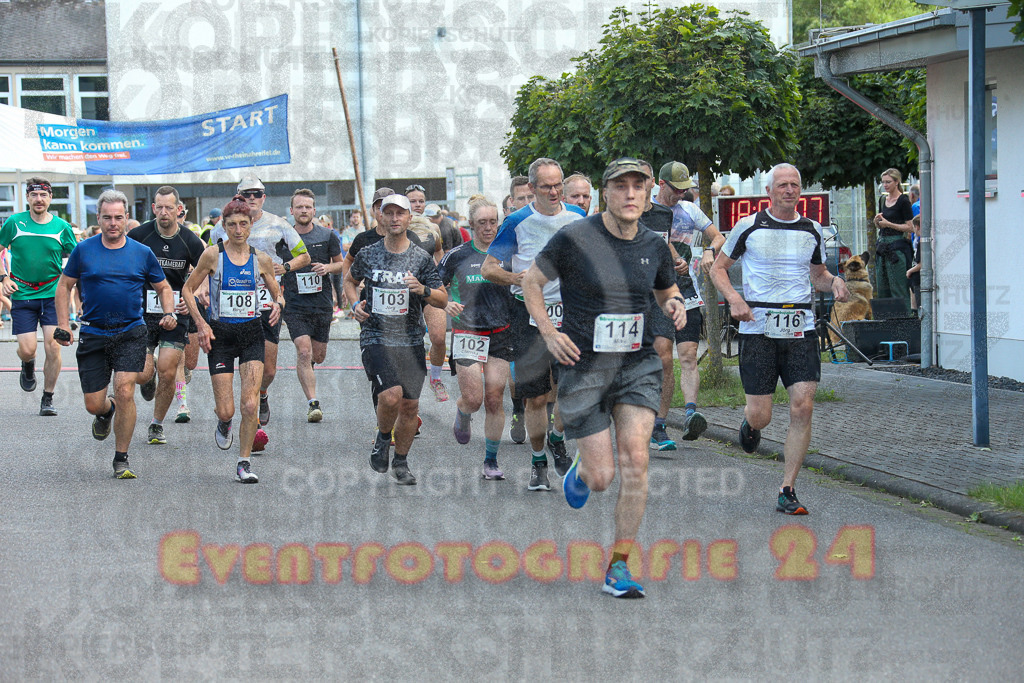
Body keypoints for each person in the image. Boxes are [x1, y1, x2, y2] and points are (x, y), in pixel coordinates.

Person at [525, 158, 686, 599]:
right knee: (602, 478)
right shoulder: (575, 237)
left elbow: (665, 289)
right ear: (605, 193)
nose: (631, 194)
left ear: (650, 192)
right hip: (583, 367)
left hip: (636, 366)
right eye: (621, 187)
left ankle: (619, 567)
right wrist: (549, 333)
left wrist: (675, 304)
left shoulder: (654, 243)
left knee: (637, 461)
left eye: (639, 186)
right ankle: (583, 468)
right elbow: (532, 282)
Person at [710, 163, 850, 516]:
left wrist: (833, 282)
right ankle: (749, 423)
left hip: (800, 327)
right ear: (769, 191)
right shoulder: (750, 225)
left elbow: (817, 275)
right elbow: (718, 268)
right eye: (783, 185)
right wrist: (735, 300)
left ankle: (787, 488)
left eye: (795, 185)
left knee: (803, 406)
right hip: (758, 328)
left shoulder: (811, 229)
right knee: (762, 415)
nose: (790, 190)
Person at [53, 189, 177, 479]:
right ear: (98, 218)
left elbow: (163, 287)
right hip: (94, 332)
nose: (112, 223)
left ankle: (121, 457)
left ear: (126, 218)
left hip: (131, 331)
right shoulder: (84, 250)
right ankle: (105, 412)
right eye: (107, 217)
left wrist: (169, 313)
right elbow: (63, 287)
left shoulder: (141, 252)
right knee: (93, 403)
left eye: (118, 217)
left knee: (124, 390)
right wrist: (62, 324)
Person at [483, 157, 586, 491]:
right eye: (547, 186)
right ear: (532, 188)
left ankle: (557, 438)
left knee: (572, 391)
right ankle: (539, 461)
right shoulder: (517, 221)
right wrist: (517, 277)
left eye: (558, 184)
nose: (555, 191)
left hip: (568, 314)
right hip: (526, 316)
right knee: (537, 398)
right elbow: (488, 268)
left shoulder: (579, 217)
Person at [344, 194, 447, 485]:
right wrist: (354, 305)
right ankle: (382, 437)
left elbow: (441, 298)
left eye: (399, 213)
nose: (394, 218)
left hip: (411, 339)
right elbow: (350, 280)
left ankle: (401, 461)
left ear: (407, 217)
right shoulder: (368, 253)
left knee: (410, 407)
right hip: (376, 336)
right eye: (388, 213)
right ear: (382, 217)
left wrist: (422, 290)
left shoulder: (421, 258)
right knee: (391, 396)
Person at [182, 196, 283, 483]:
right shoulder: (213, 255)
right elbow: (187, 290)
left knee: (249, 405)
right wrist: (201, 324)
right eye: (231, 225)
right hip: (221, 335)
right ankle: (224, 421)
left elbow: (277, 292)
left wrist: (278, 305)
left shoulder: (261, 259)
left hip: (252, 333)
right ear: (223, 227)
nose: (238, 230)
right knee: (227, 409)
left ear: (251, 226)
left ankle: (244, 462)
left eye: (243, 224)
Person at [209, 176, 309, 429]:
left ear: (264, 197)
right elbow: (207, 261)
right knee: (235, 364)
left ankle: (261, 394)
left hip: (265, 301)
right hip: (230, 306)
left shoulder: (279, 224)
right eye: (246, 194)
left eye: (257, 194)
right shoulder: (221, 228)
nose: (252, 198)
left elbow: (304, 256)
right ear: (238, 196)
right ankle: (236, 408)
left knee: (270, 369)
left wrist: (284, 267)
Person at [438, 195, 513, 480]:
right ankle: (463, 411)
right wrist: (445, 303)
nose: (488, 228)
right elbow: (436, 286)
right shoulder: (457, 255)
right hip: (467, 332)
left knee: (494, 399)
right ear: (471, 225)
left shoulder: (508, 254)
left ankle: (491, 460)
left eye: (493, 222)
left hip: (500, 333)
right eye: (482, 223)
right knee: (474, 398)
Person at [652, 161, 725, 445]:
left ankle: (690, 415)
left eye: (685, 189)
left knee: (688, 355)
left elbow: (718, 237)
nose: (680, 194)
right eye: (675, 189)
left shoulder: (689, 210)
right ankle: (658, 423)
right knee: (663, 360)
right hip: (656, 293)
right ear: (661, 184)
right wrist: (674, 257)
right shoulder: (648, 210)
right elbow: (657, 240)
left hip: (686, 291)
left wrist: (709, 251)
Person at [128, 186, 207, 445]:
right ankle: (146, 380)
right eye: (159, 207)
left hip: (175, 312)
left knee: (168, 371)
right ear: (153, 208)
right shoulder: (138, 235)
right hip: (141, 312)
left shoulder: (190, 240)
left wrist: (193, 296)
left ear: (178, 210)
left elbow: (205, 272)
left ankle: (156, 424)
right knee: (141, 373)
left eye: (169, 208)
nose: (164, 212)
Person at [0, 177, 78, 416]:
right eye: (34, 195)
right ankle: (28, 364)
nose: (39, 199)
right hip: (22, 293)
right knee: (27, 349)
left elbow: (77, 258)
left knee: (53, 346)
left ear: (50, 198)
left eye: (43, 195)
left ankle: (48, 397)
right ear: (28, 198)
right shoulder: (15, 223)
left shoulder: (61, 227)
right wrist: (4, 277)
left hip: (53, 294)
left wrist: (70, 284)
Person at [283, 189, 343, 422]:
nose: (304, 211)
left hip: (321, 304)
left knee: (318, 354)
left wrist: (328, 268)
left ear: (314, 210)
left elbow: (341, 264)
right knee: (304, 351)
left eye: (308, 207)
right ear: (292, 211)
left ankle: (308, 368)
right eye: (299, 207)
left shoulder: (327, 235)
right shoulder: (284, 237)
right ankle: (313, 403)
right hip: (295, 305)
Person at [405, 186, 449, 402]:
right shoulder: (396, 228)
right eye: (412, 201)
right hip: (405, 290)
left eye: (421, 201)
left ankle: (436, 378)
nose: (418, 205)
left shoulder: (433, 228)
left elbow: (439, 251)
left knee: (439, 337)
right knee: (409, 343)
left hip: (429, 287)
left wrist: (442, 275)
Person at [873, 168, 915, 311]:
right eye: (883, 182)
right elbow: (881, 225)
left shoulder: (903, 201)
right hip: (882, 246)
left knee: (898, 287)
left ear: (897, 182)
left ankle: (903, 320)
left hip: (896, 248)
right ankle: (885, 321)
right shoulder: (883, 199)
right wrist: (877, 222)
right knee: (882, 287)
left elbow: (910, 227)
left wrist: (889, 224)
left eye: (888, 182)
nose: (885, 185)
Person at [907, 214, 922, 313]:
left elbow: (922, 264)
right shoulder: (920, 242)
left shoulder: (923, 243)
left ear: (917, 227)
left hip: (919, 281)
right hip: (915, 281)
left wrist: (910, 271)